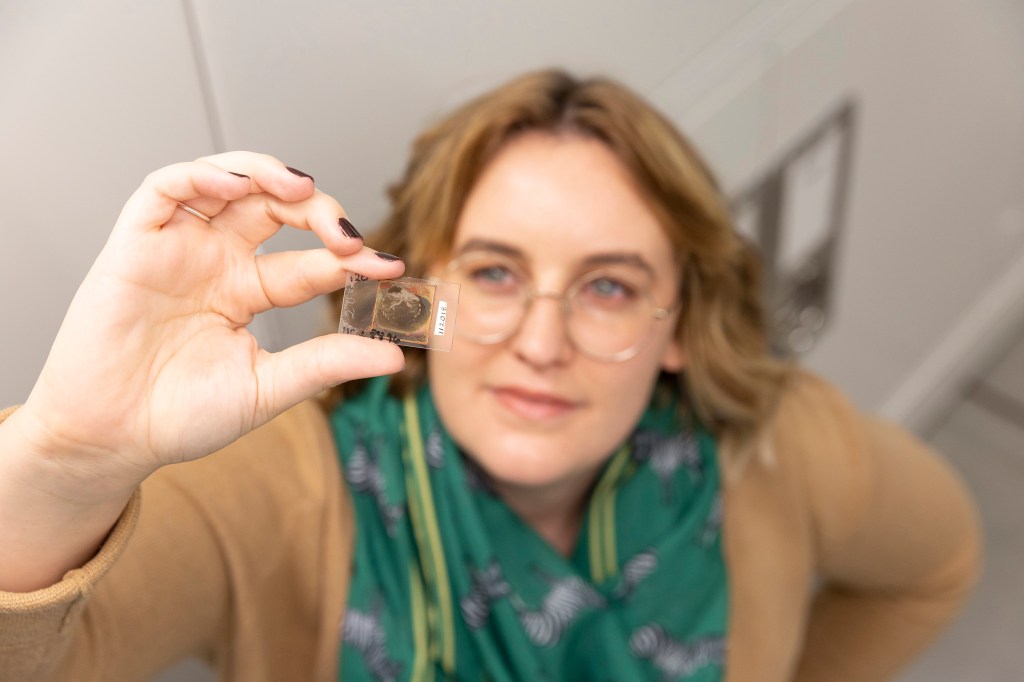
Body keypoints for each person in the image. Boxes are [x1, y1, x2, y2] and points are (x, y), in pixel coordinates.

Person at [0, 70, 980, 681]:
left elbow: (932, 568)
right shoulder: (277, 489)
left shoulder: (780, 444)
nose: (540, 343)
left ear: (677, 324)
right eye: (496, 272)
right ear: (413, 296)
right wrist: (67, 454)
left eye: (606, 285)